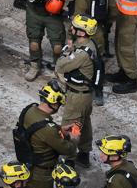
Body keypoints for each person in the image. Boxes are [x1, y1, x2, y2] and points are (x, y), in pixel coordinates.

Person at [53, 16, 99, 165]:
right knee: (82, 124)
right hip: (86, 96)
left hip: (77, 97)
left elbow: (60, 66)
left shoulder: (82, 54)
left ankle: (69, 160)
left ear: (81, 32)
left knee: (70, 127)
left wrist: (65, 53)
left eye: (74, 27)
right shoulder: (89, 44)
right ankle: (84, 153)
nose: (71, 28)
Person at [14, 85, 80, 188]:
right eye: (58, 104)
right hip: (42, 175)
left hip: (28, 163)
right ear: (54, 104)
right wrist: (74, 138)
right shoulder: (48, 129)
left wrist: (60, 129)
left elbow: (38, 129)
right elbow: (68, 150)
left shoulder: (29, 109)